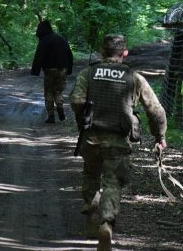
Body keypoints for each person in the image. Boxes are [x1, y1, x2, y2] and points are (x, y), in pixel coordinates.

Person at [69, 34, 167, 251]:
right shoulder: (134, 78)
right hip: (119, 139)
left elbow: (76, 100)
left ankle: (93, 212)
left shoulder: (89, 73)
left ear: (102, 52)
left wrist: (83, 118)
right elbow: (155, 110)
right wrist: (160, 137)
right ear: (125, 53)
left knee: (91, 174)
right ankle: (106, 223)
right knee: (113, 182)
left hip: (91, 137)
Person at [31, 20, 73, 123]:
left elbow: (39, 56)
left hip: (49, 70)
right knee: (58, 91)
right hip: (63, 69)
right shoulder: (61, 39)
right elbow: (70, 55)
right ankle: (59, 106)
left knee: (48, 92)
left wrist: (35, 70)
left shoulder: (44, 41)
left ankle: (51, 116)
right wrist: (69, 70)